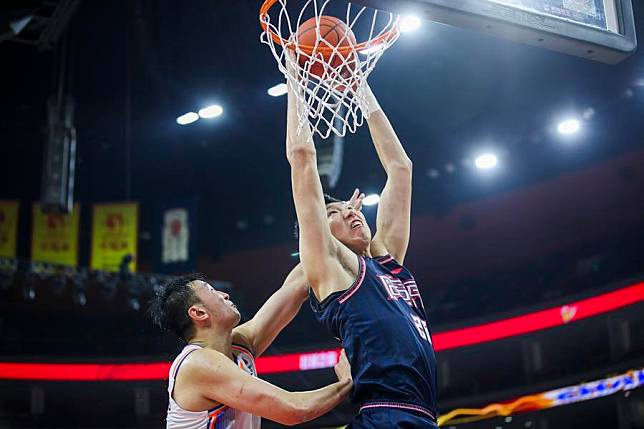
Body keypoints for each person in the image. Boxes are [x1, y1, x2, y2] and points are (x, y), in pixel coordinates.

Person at [286, 76, 438, 428]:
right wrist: (294, 77)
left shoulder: (387, 261)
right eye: (334, 214)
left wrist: (360, 86)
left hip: (423, 417)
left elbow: (401, 169)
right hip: (382, 414)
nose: (351, 212)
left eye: (351, 208)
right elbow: (302, 158)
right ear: (319, 235)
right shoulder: (333, 272)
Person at [149, 266, 353, 428]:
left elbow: (297, 284)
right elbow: (294, 409)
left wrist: (329, 234)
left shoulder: (236, 345)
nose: (225, 295)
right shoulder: (197, 363)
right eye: (212, 291)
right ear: (199, 313)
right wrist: (347, 382)